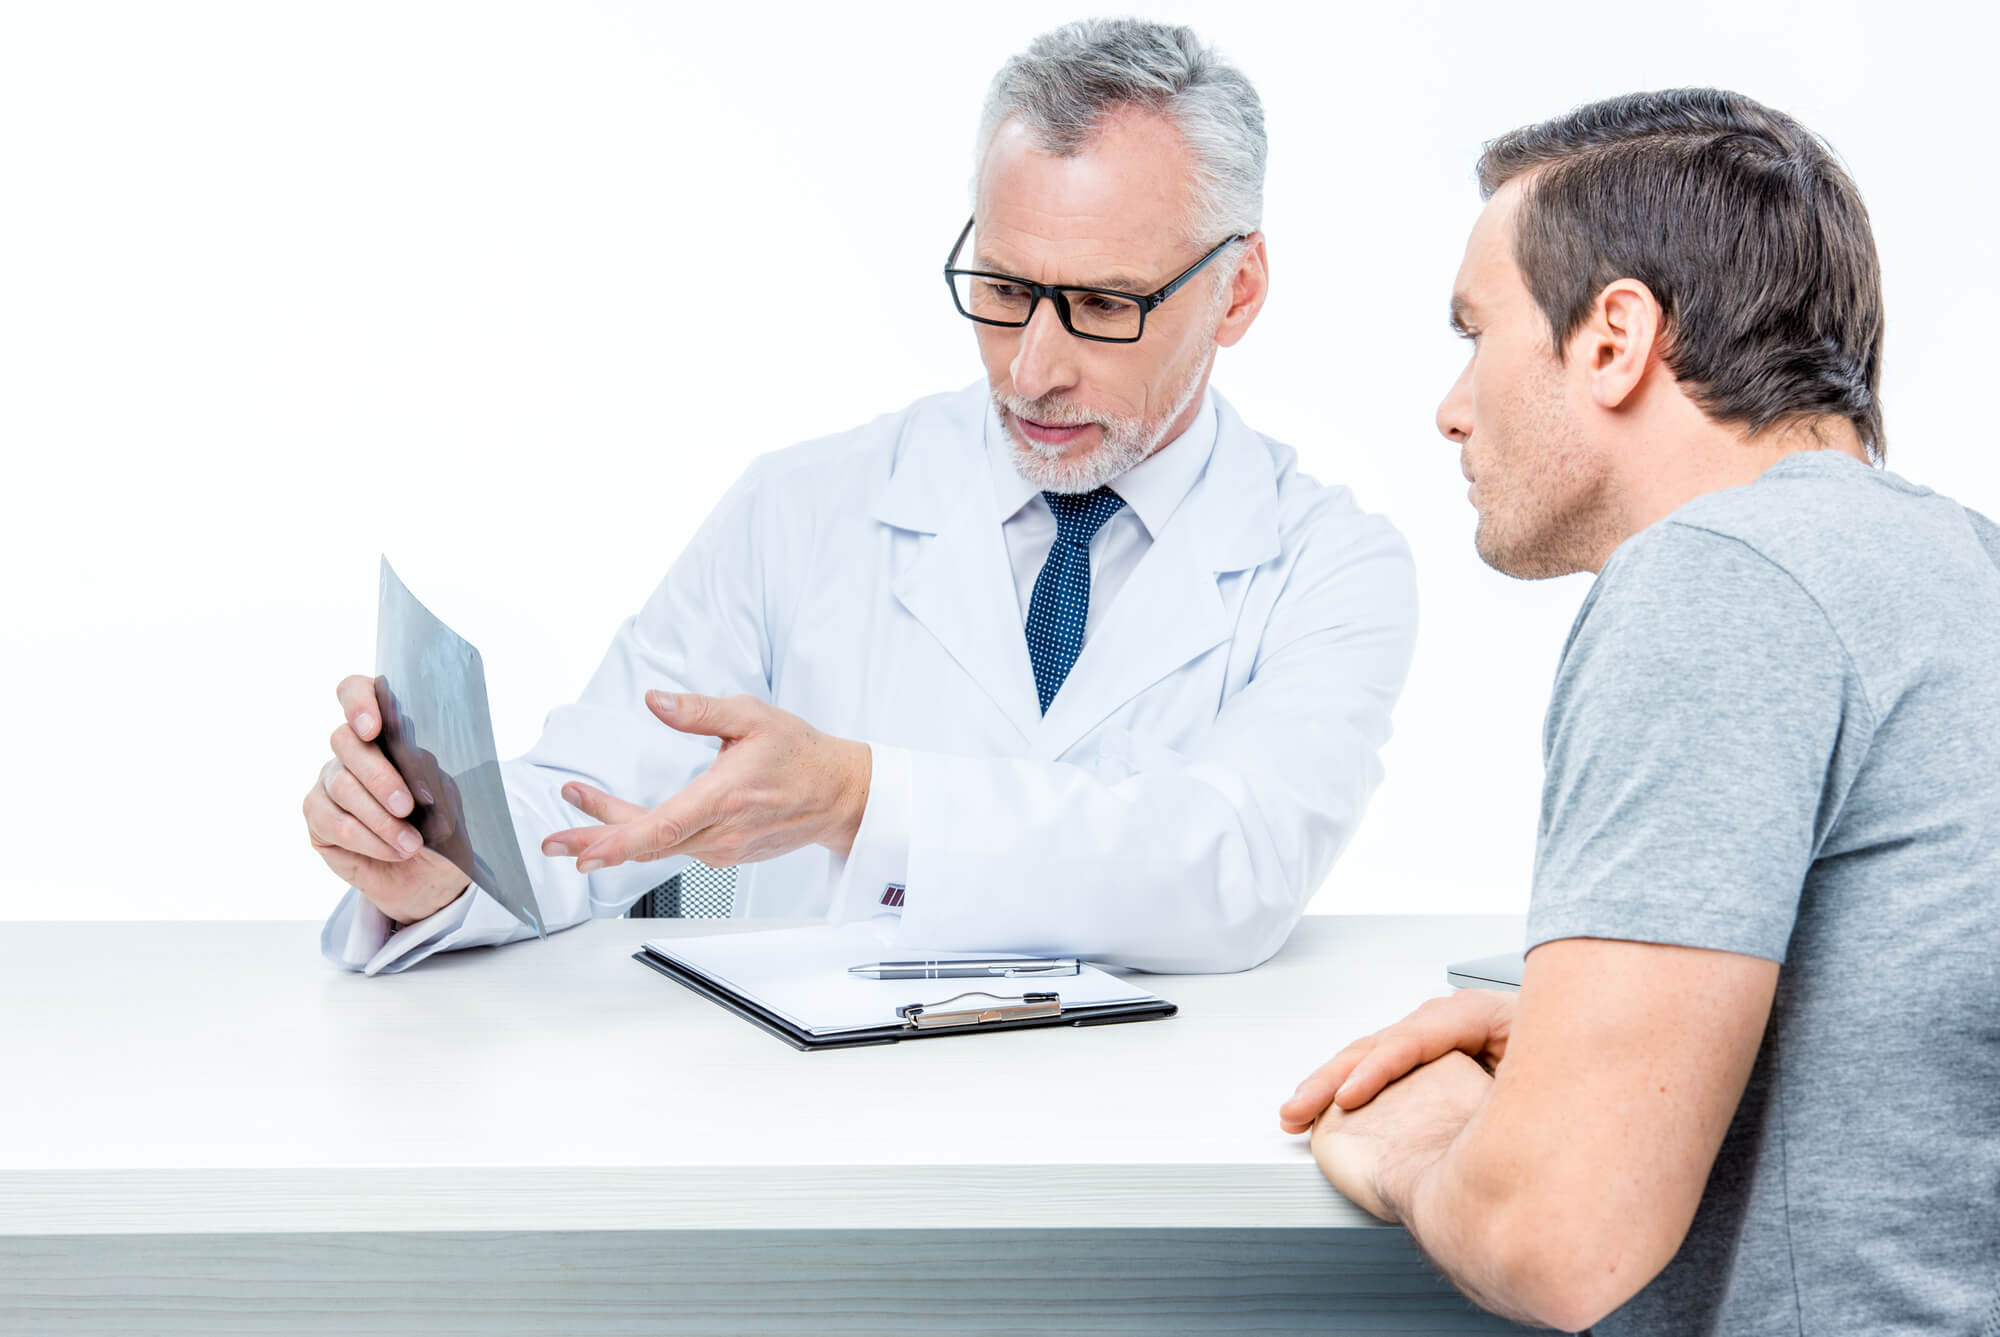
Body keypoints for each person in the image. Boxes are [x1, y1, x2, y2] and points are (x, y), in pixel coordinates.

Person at [304, 18, 1418, 977]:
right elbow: (595, 806)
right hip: (824, 1150)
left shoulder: (1326, 563)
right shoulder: (803, 509)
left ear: (1237, 290)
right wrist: (435, 860)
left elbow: (1233, 866)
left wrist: (858, 796)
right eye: (1002, 289)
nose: (1030, 367)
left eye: (1098, 305)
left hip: (1146, 1161)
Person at [1278, 89, 2000, 1335]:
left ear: (1613, 337)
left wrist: (1429, 1137)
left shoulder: (1718, 574)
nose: (1451, 406)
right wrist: (1598, 1044)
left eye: (1475, 331)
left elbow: (1553, 1235)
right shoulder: (1961, 566)